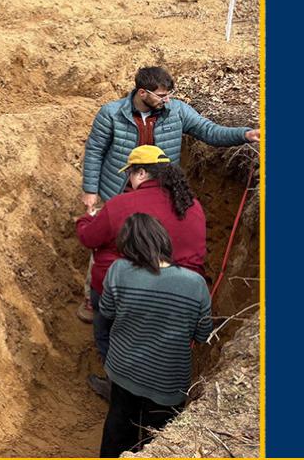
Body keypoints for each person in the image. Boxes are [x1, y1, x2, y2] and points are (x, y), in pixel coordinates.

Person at [77, 66, 257, 321]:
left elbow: (209, 131)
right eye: (162, 96)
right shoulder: (111, 113)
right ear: (142, 93)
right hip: (116, 192)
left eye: (169, 94)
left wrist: (244, 134)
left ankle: (149, 301)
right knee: (106, 245)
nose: (168, 100)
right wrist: (90, 190)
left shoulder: (177, 111)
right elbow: (95, 151)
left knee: (152, 244)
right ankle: (93, 296)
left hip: (157, 191)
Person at [76, 144, 208, 400]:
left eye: (130, 174)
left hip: (128, 292)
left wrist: (87, 218)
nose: (129, 180)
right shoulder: (192, 205)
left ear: (141, 173)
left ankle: (115, 383)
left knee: (105, 326)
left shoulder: (121, 205)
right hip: (183, 296)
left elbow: (89, 238)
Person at [97, 213, 213, 457]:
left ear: (127, 244)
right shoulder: (196, 284)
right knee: (158, 440)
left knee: (118, 428)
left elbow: (106, 311)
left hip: (123, 370)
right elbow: (203, 335)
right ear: (163, 240)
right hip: (167, 381)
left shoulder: (118, 270)